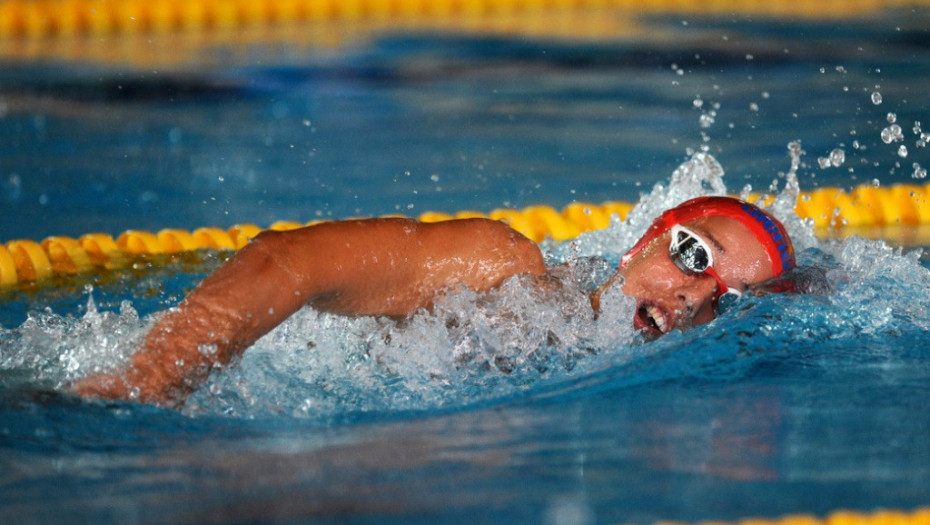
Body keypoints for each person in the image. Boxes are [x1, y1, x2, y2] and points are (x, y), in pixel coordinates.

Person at [73, 196, 795, 407]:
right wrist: (153, 382)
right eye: (694, 256)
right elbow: (287, 260)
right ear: (646, 241)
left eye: (726, 298)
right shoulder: (503, 269)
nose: (693, 293)